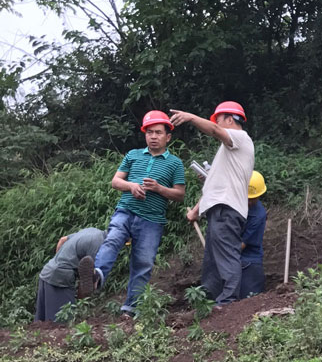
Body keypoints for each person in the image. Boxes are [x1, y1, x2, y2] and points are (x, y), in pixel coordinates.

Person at [89, 110, 186, 316]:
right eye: (149, 132)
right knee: (113, 239)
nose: (153, 136)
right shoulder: (132, 155)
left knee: (143, 262)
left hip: (152, 219)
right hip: (126, 210)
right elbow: (116, 181)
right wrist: (132, 186)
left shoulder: (175, 163)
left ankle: (131, 309)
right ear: (145, 135)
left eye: (158, 132)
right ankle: (96, 276)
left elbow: (179, 194)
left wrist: (159, 188)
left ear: (167, 137)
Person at [169, 102, 255, 307]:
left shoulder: (240, 138)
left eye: (217, 119)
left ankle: (228, 301)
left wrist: (190, 117)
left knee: (226, 255)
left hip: (227, 209)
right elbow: (214, 188)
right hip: (220, 208)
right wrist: (196, 211)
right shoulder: (228, 152)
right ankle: (212, 300)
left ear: (229, 119)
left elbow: (215, 131)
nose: (215, 123)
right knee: (214, 260)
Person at [35, 228, 107, 322]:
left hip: (47, 271)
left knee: (40, 325)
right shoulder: (99, 244)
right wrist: (81, 301)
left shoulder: (92, 231)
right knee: (61, 324)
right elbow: (86, 278)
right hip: (60, 280)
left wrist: (58, 261)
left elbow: (63, 239)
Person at [239, 171, 268, 299]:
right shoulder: (234, 203)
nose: (249, 202)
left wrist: (222, 256)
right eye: (247, 198)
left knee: (250, 300)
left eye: (253, 199)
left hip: (249, 260)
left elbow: (241, 246)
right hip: (233, 255)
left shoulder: (258, 216)